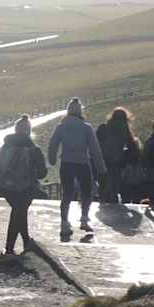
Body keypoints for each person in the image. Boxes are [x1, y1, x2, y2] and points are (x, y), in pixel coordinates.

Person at [0, 115, 47, 256]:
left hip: (6, 187)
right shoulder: (33, 149)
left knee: (20, 213)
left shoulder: (6, 146)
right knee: (18, 214)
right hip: (26, 188)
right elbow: (42, 173)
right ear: (28, 131)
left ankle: (26, 242)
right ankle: (9, 249)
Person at [46, 98, 107, 237]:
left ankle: (64, 222)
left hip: (66, 163)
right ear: (80, 111)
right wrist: (101, 167)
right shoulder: (86, 127)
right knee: (86, 192)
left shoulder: (61, 127)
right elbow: (94, 149)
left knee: (67, 193)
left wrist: (52, 159)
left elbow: (53, 144)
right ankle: (84, 219)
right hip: (83, 163)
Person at [95, 108, 141, 204]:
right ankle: (113, 199)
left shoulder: (104, 127)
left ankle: (103, 198)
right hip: (117, 160)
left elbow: (96, 142)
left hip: (102, 159)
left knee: (103, 181)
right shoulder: (124, 129)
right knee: (114, 182)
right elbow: (131, 145)